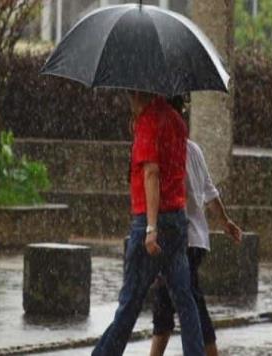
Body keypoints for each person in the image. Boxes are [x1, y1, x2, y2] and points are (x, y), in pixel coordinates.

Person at [92, 91, 205, 356]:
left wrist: (151, 228)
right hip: (177, 219)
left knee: (130, 300)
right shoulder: (177, 121)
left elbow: (152, 173)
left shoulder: (149, 121)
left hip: (151, 219)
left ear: (139, 91)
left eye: (130, 91)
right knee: (185, 299)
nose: (128, 96)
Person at [149, 96, 243, 356]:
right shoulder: (194, 149)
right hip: (197, 240)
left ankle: (209, 353)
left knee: (186, 301)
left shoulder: (170, 150)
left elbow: (163, 188)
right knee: (169, 301)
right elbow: (210, 193)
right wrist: (224, 221)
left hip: (180, 239)